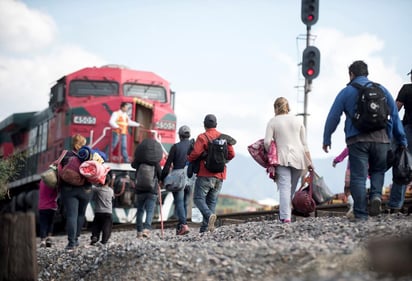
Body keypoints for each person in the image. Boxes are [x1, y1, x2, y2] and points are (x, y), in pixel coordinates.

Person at [322, 60, 407, 220]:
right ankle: (375, 196)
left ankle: (360, 213)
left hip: (357, 140)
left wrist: (327, 138)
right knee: (377, 171)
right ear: (367, 73)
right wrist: (401, 139)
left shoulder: (346, 92)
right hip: (381, 140)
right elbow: (394, 115)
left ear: (351, 74)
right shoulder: (381, 90)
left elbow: (334, 116)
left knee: (359, 177)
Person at [264, 97, 313, 223]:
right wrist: (310, 162)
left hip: (282, 157)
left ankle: (285, 217)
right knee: (291, 188)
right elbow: (305, 144)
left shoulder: (273, 121)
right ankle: (286, 214)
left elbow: (267, 142)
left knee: (284, 187)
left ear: (275, 107)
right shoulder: (298, 121)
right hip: (299, 158)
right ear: (288, 107)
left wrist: (270, 151)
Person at [188, 114, 235, 233]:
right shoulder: (223, 137)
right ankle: (206, 229)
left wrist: (189, 157)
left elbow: (195, 154)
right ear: (216, 124)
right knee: (211, 202)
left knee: (198, 198)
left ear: (204, 125)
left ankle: (209, 216)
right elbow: (232, 154)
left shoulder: (202, 137)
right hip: (220, 175)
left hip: (205, 173)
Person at [60, 134, 93, 250]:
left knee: (71, 215)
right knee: (80, 214)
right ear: (84, 143)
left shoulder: (66, 155)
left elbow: (59, 171)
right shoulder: (89, 155)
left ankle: (71, 243)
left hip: (69, 189)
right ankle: (77, 238)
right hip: (85, 189)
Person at [388, 68, 412, 213]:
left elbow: (395, 109)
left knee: (403, 167)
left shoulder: (407, 89)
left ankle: (396, 205)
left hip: (409, 131)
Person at [161, 125, 192, 235]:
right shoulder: (193, 146)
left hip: (178, 178)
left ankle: (183, 225)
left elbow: (167, 165)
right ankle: (180, 228)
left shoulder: (175, 147)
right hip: (190, 177)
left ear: (179, 135)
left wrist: (162, 178)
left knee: (178, 202)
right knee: (185, 202)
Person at [131, 138, 163, 238]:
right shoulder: (155, 163)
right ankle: (147, 229)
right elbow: (160, 175)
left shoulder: (139, 162)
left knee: (140, 210)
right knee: (150, 210)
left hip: (140, 189)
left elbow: (132, 165)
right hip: (152, 190)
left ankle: (139, 231)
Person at [90, 172, 114, 246]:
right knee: (107, 227)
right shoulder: (111, 191)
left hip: (98, 212)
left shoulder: (97, 190)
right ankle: (104, 240)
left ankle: (95, 236)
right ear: (109, 181)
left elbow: (91, 187)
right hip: (108, 212)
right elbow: (113, 198)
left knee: (96, 225)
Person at [332, 147, 354, 216]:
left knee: (347, 190)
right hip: (363, 170)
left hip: (350, 170)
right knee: (359, 188)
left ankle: (353, 205)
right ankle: (358, 207)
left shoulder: (352, 143)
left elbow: (344, 153)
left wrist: (336, 161)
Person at [38, 179, 58, 247]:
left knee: (43, 223)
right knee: (51, 223)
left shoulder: (41, 181)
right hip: (52, 206)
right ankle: (49, 238)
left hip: (42, 206)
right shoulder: (54, 182)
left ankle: (43, 240)